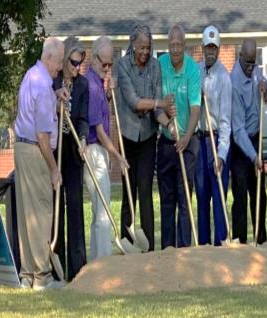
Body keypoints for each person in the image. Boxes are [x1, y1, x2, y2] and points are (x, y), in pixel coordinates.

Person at [115, 24, 174, 251]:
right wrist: (160, 103)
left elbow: (157, 109)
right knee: (129, 192)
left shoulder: (156, 67)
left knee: (146, 189)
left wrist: (168, 123)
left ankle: (148, 247)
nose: (145, 52)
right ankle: (127, 244)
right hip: (127, 136)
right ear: (132, 44)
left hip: (149, 135)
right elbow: (134, 101)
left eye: (148, 48)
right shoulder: (122, 66)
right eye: (141, 47)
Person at [13, 37, 65, 290]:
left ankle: (28, 275)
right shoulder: (44, 86)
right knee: (41, 212)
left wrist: (56, 95)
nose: (61, 68)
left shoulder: (31, 75)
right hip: (36, 152)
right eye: (60, 62)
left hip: (21, 148)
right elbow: (43, 136)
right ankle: (42, 277)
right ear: (50, 58)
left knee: (26, 213)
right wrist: (54, 170)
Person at [84, 36, 129, 259]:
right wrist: (118, 155)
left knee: (99, 210)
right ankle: (102, 261)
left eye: (111, 64)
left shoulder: (99, 83)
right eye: (105, 63)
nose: (108, 68)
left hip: (100, 151)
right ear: (94, 59)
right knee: (102, 211)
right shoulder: (91, 86)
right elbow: (100, 131)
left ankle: (96, 260)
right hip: (94, 150)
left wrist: (109, 96)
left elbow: (105, 113)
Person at [157, 24, 201, 249]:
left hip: (188, 141)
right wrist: (167, 120)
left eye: (178, 45)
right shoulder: (160, 65)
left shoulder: (193, 70)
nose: (174, 49)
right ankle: (167, 249)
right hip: (166, 140)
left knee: (185, 198)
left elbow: (195, 109)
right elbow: (156, 106)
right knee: (167, 199)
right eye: (171, 45)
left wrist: (186, 136)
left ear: (184, 46)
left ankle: (184, 249)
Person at [51, 35, 89, 281]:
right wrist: (56, 103)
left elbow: (84, 118)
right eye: (73, 62)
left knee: (74, 206)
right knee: (57, 207)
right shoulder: (52, 81)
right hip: (55, 151)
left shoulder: (83, 85)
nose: (77, 68)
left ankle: (78, 270)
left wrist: (83, 138)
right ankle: (57, 268)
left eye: (80, 63)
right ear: (64, 60)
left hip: (74, 152)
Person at [195, 25, 232, 246]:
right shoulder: (196, 72)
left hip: (216, 140)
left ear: (218, 49)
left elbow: (226, 122)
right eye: (208, 47)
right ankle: (202, 247)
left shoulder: (224, 78)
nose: (211, 51)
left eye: (214, 48)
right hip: (199, 140)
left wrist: (221, 154)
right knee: (201, 196)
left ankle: (220, 247)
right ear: (202, 48)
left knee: (218, 198)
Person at [230, 38, 267, 245]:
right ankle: (241, 243)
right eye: (248, 63)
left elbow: (262, 82)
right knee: (241, 196)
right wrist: (254, 157)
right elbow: (238, 130)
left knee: (259, 194)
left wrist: (264, 86)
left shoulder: (255, 70)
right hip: (241, 146)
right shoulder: (234, 83)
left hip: (256, 138)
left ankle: (260, 241)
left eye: (254, 63)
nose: (251, 67)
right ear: (240, 57)